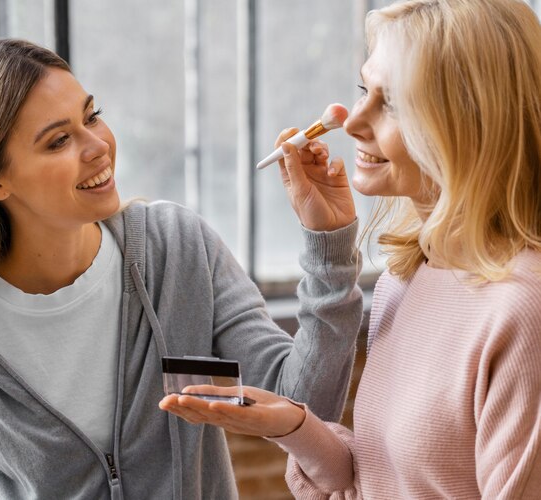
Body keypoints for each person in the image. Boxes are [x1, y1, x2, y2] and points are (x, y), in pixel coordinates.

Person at [0, 39, 363, 499]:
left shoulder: (176, 248)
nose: (98, 146)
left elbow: (307, 403)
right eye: (58, 140)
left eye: (91, 116)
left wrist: (329, 245)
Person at [159, 0, 541, 498]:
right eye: (365, 89)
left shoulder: (523, 311)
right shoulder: (405, 279)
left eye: (395, 102)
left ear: (472, 123)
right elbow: (387, 480)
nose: (353, 121)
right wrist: (295, 426)